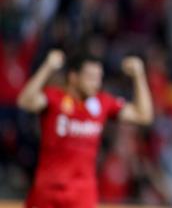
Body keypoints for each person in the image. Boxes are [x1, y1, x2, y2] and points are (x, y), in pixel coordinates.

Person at [17, 50, 154, 208]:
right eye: (90, 77)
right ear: (74, 77)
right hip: (47, 191)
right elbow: (25, 101)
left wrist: (139, 75)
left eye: (98, 77)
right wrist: (47, 67)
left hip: (82, 193)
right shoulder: (54, 99)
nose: (96, 83)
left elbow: (143, 115)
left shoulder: (103, 103)